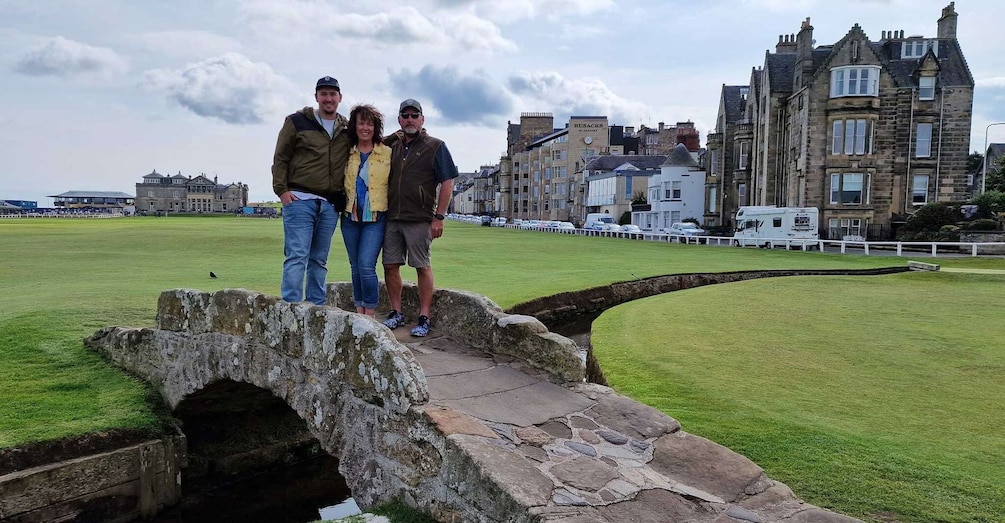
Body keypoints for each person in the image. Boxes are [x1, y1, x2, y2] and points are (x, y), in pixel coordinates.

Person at [381, 99, 458, 337]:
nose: (410, 120)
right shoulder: (391, 146)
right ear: (399, 120)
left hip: (419, 218)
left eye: (415, 115)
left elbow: (447, 182)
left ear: (422, 119)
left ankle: (424, 316)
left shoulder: (435, 146)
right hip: (392, 216)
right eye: (405, 115)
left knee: (422, 266)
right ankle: (396, 312)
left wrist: (439, 217)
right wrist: (391, 138)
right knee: (390, 265)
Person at [271, 76, 350, 305]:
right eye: (323, 94)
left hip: (329, 204)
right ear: (316, 97)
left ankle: (317, 307)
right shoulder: (296, 121)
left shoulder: (345, 128)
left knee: (319, 259)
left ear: (339, 98)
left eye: (332, 94)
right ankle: (292, 307)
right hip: (299, 199)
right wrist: (282, 192)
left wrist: (400, 136)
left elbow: (370, 139)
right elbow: (281, 157)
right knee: (297, 256)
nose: (328, 98)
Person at [340, 104, 391, 317]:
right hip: (349, 216)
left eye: (369, 123)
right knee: (354, 266)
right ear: (354, 125)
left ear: (375, 127)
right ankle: (359, 309)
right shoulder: (347, 152)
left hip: (376, 217)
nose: (365, 127)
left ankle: (369, 312)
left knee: (367, 266)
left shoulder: (387, 152)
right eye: (361, 122)